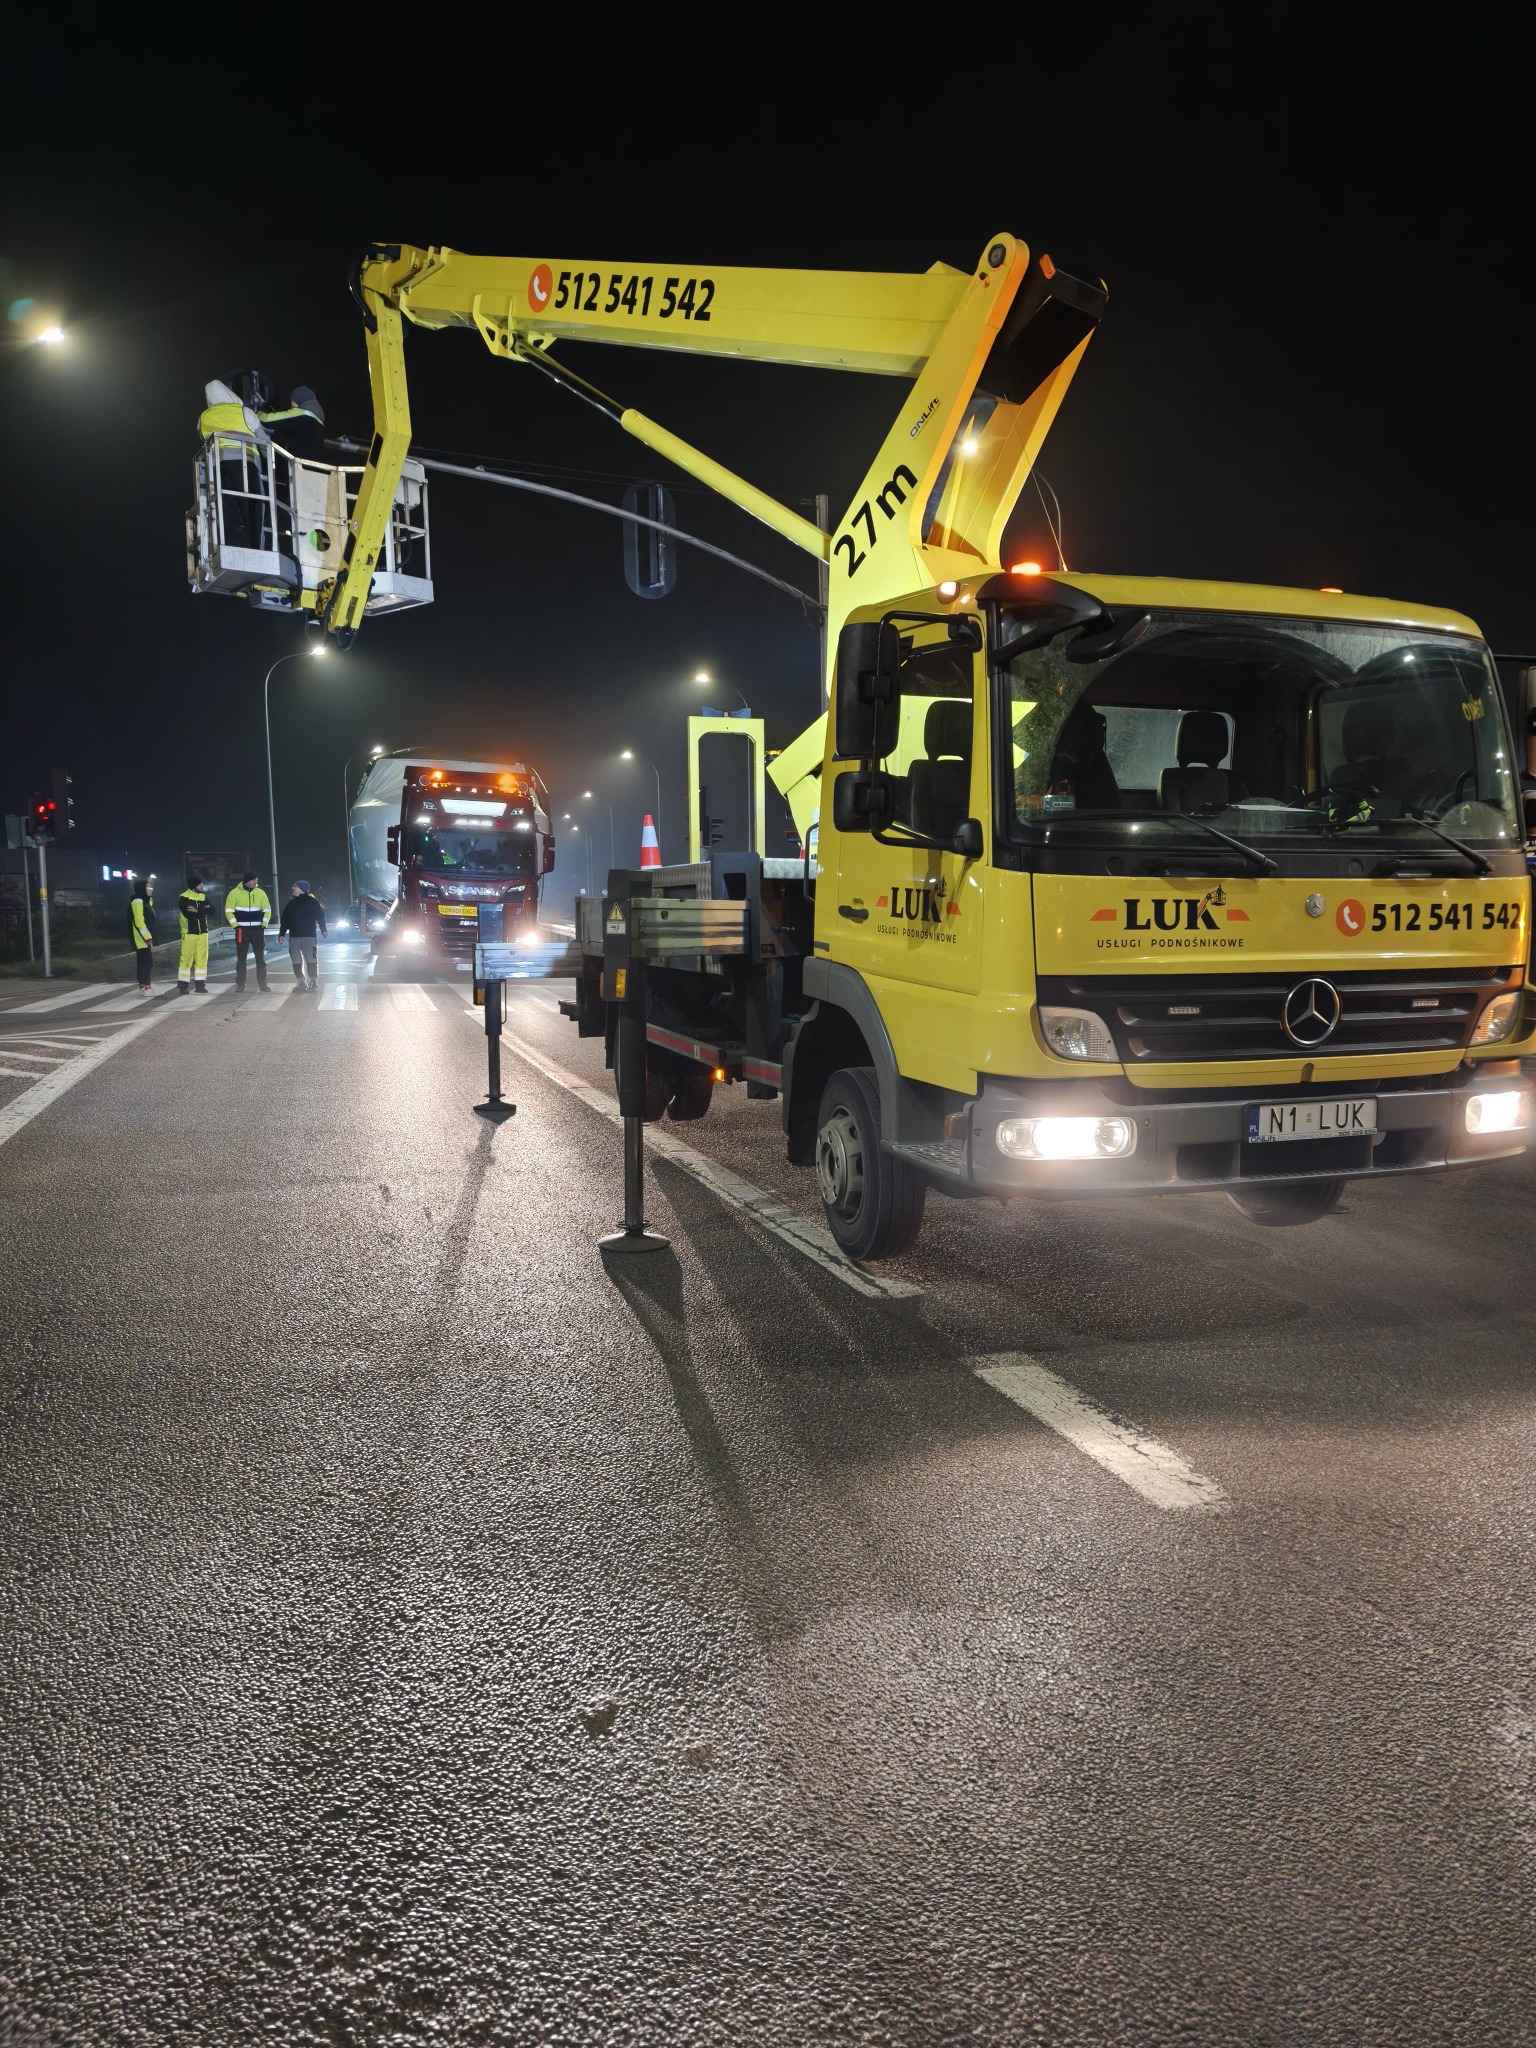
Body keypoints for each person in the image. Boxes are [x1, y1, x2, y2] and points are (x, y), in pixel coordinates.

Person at [225, 870, 272, 992]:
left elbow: (267, 910)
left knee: (260, 959)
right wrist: (236, 926)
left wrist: (263, 925)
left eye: (257, 880)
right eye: (254, 880)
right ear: (247, 881)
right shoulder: (234, 893)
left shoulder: (261, 893)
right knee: (241, 959)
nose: (256, 882)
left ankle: (263, 985)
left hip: (258, 930)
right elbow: (228, 911)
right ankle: (241, 985)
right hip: (242, 931)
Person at [280, 880, 327, 991]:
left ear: (302, 889)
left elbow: (321, 916)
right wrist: (282, 933)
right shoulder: (291, 904)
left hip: (309, 936)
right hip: (294, 936)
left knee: (311, 959)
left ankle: (313, 982)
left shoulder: (312, 902)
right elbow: (285, 920)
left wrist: (323, 929)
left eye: (295, 886)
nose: (292, 888)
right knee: (296, 960)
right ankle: (301, 982)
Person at [174, 875, 212, 995]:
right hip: (189, 933)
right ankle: (183, 987)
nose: (202, 886)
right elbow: (189, 915)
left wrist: (197, 910)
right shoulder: (184, 897)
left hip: (203, 933)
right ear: (194, 886)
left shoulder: (204, 896)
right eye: (200, 884)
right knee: (186, 960)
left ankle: (200, 986)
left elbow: (212, 911)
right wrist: (203, 910)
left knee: (202, 960)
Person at [127, 876, 156, 993]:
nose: (151, 889)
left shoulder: (145, 901)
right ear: (142, 888)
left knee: (145, 960)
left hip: (144, 936)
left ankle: (143, 984)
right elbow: (139, 921)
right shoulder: (138, 901)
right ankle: (145, 985)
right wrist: (147, 937)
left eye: (151, 886)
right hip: (140, 937)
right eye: (148, 886)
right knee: (146, 961)